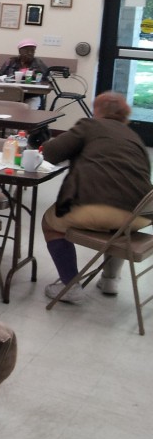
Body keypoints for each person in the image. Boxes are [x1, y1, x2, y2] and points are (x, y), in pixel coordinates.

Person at [41, 92, 152, 303]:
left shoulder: (90, 125)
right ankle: (110, 280)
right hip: (139, 214)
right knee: (119, 231)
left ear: (97, 111)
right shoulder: (134, 138)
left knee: (50, 223)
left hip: (93, 207)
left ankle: (70, 285)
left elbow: (50, 153)